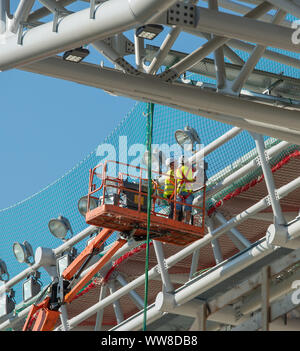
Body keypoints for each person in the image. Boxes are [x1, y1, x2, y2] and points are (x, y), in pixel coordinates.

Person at [175, 155, 196, 224]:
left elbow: (178, 180)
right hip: (188, 191)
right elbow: (188, 179)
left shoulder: (177, 170)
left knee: (177, 208)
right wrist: (193, 180)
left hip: (179, 191)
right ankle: (187, 222)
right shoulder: (189, 169)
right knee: (188, 209)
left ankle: (175, 221)